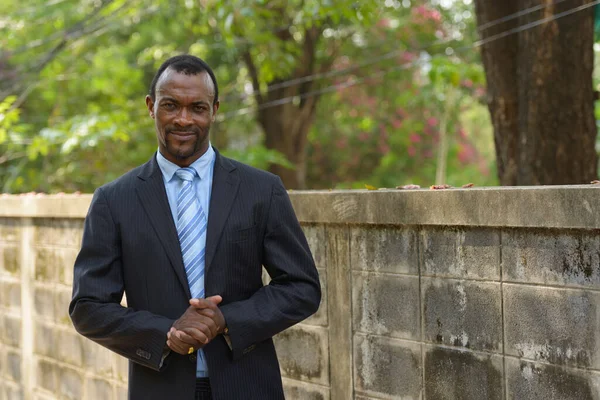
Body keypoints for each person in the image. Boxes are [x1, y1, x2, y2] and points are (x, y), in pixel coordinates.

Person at [69, 54, 321, 400]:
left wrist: (226, 320)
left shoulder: (261, 190)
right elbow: (87, 306)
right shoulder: (114, 201)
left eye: (197, 108)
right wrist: (166, 332)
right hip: (159, 388)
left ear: (214, 110)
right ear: (150, 106)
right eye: (170, 106)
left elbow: (302, 288)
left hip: (248, 386)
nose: (183, 120)